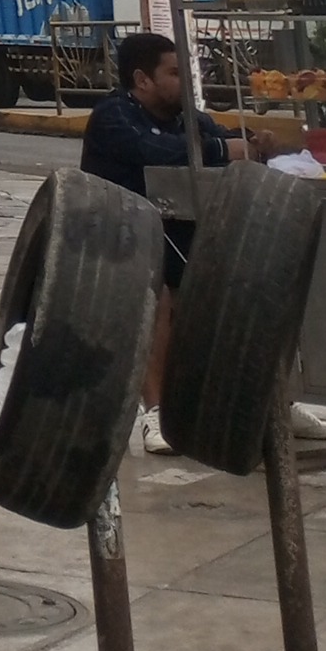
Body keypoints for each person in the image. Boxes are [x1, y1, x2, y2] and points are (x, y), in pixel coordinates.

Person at [80, 28, 244, 412]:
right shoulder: (113, 116)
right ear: (142, 80)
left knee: (249, 282)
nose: (184, 81)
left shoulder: (185, 117)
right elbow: (156, 151)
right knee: (157, 292)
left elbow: (222, 134)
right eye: (174, 73)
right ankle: (155, 409)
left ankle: (269, 402)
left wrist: (250, 140)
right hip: (118, 235)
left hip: (176, 230)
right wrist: (222, 149)